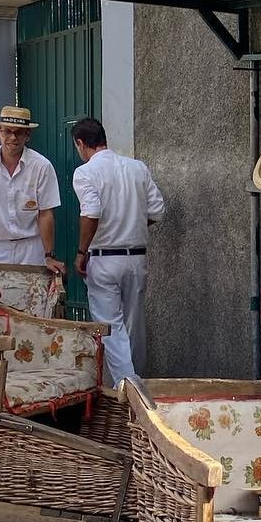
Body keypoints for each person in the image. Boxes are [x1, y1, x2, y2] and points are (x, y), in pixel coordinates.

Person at [71, 117, 164, 387]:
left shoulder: (85, 172)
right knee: (134, 325)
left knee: (110, 327)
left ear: (80, 143)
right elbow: (157, 210)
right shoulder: (137, 168)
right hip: (135, 257)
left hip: (103, 259)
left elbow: (91, 211)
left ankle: (127, 389)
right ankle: (136, 383)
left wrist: (81, 251)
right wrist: (132, 223)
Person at [0, 106, 64, 274]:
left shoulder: (41, 166)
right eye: (7, 131)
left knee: (31, 298)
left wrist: (48, 255)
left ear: (27, 135)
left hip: (31, 247)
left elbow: (45, 213)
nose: (13, 138)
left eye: (19, 133)